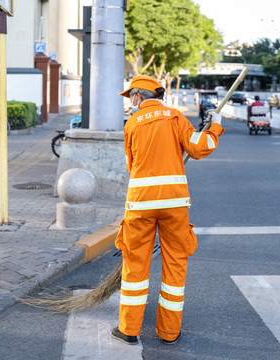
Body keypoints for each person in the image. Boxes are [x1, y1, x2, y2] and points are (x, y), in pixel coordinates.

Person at [111, 75, 224, 346]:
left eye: (131, 97)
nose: (131, 102)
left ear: (140, 96)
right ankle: (169, 332)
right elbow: (199, 148)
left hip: (140, 204)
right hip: (174, 204)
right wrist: (215, 128)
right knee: (175, 265)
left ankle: (128, 329)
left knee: (135, 266)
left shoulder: (131, 124)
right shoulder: (175, 117)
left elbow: (131, 164)